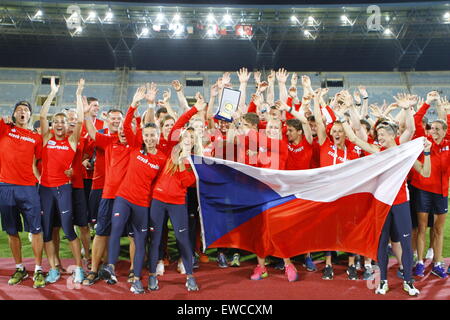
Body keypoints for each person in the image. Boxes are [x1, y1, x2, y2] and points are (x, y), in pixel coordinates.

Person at [340, 94, 430, 296]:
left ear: (392, 135)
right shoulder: (376, 150)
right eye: (378, 134)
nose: (379, 137)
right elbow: (354, 138)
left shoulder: (401, 146)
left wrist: (407, 109)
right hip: (381, 203)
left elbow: (411, 129)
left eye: (382, 134)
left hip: (400, 202)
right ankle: (383, 282)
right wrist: (342, 117)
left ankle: (408, 281)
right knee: (381, 243)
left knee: (406, 243)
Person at [101, 86, 167, 294]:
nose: (148, 138)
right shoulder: (135, 147)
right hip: (123, 197)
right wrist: (134, 104)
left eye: (152, 135)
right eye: (146, 135)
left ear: (158, 137)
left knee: (140, 242)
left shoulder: (162, 159)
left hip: (143, 204)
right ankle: (110, 266)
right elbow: (128, 128)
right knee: (117, 227)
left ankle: (137, 278)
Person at [147, 94, 207, 292]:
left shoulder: (195, 161)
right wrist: (194, 109)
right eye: (185, 137)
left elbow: (186, 182)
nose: (187, 140)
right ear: (180, 138)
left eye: (191, 138)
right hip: (158, 199)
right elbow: (180, 122)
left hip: (177, 203)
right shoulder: (170, 147)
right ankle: (153, 275)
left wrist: (185, 159)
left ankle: (190, 276)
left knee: (183, 239)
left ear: (194, 141)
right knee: (155, 239)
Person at [39, 78, 85, 284]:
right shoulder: (47, 139)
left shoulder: (71, 141)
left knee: (68, 230)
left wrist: (77, 95)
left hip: (64, 189)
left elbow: (82, 121)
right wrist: (52, 93)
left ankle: (79, 269)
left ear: (68, 126)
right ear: (52, 125)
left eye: (63, 122)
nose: (59, 124)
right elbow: (41, 114)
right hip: (45, 190)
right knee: (47, 231)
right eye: (56, 121)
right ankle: (54, 268)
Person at [0, 97, 45, 288]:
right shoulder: (4, 129)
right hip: (5, 187)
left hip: (28, 188)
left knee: (36, 229)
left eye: (25, 110)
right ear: (14, 114)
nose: (22, 112)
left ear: (29, 115)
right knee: (12, 231)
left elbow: (40, 162)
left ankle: (37, 269)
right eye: (18, 109)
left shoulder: (36, 137)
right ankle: (20, 268)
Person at [410, 92, 449, 279]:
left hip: (441, 192)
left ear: (444, 130)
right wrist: (426, 102)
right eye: (431, 128)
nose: (432, 131)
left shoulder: (448, 144)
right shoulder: (424, 142)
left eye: (436, 128)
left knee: (439, 229)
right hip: (423, 190)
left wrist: (445, 111)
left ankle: (437, 263)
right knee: (422, 226)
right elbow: (417, 120)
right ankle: (419, 262)